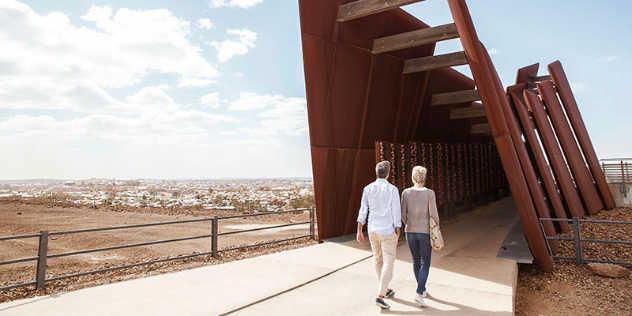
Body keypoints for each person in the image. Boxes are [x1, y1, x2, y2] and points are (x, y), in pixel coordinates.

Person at [356, 161, 402, 309]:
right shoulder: (392, 189)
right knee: (389, 262)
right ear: (388, 174)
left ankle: (385, 289)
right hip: (387, 230)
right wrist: (398, 227)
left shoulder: (368, 188)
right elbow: (396, 209)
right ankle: (380, 296)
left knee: (378, 260)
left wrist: (359, 230)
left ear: (377, 173)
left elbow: (363, 210)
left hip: (372, 230)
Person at [400, 165, 439, 308]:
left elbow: (403, 214)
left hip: (410, 231)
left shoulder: (406, 192)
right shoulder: (430, 193)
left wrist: (408, 223)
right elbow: (434, 214)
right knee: (425, 263)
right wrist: (437, 228)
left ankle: (422, 288)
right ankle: (419, 292)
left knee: (416, 261)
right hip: (425, 231)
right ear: (424, 178)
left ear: (413, 177)